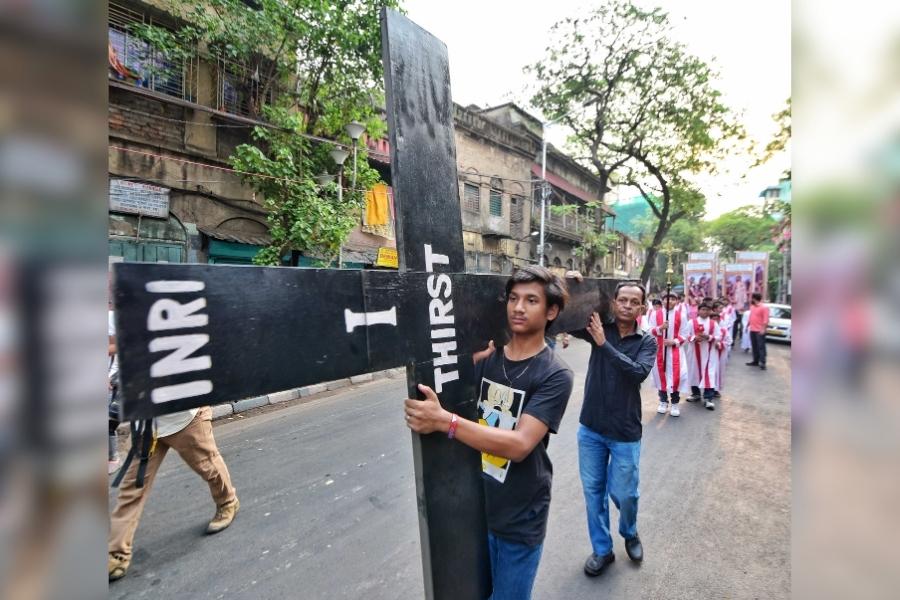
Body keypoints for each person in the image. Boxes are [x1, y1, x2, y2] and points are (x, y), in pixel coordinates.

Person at [404, 265, 574, 600]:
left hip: (520, 516)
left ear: (551, 311)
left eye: (531, 300)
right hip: (475, 508)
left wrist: (445, 421)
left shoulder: (555, 374)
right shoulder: (487, 360)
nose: (518, 307)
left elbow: (521, 444)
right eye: (513, 298)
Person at [108, 305, 240, 582]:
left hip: (185, 419)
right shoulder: (128, 324)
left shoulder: (179, 322)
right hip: (147, 424)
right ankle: (117, 554)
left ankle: (228, 502)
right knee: (133, 487)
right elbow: (119, 366)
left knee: (208, 467)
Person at [564, 273, 657, 577]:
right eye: (623, 300)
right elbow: (565, 318)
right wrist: (574, 286)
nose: (627, 306)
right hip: (591, 427)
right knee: (593, 492)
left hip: (625, 433)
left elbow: (637, 373)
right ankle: (602, 550)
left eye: (634, 302)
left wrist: (604, 346)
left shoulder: (647, 341)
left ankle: (629, 531)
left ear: (642, 308)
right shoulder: (598, 329)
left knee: (625, 493)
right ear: (614, 303)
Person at [648, 293, 690, 416]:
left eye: (672, 299)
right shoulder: (655, 314)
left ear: (676, 301)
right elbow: (649, 331)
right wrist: (660, 328)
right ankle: (663, 401)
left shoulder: (681, 316)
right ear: (662, 300)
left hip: (675, 352)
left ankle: (675, 403)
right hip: (660, 351)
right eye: (667, 299)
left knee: (676, 377)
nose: (669, 301)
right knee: (661, 376)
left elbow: (685, 334)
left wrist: (674, 341)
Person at [687, 301, 723, 410]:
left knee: (709, 374)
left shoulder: (713, 323)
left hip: (709, 354)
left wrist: (709, 337)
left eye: (707, 310)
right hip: (694, 352)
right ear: (698, 311)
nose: (705, 312)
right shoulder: (691, 322)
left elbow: (719, 336)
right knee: (694, 372)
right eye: (703, 309)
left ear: (710, 311)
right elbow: (685, 335)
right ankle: (696, 394)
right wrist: (694, 338)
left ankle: (708, 398)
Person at [746, 292, 770, 370]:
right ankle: (755, 361)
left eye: (751, 298)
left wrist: (763, 329)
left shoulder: (764, 307)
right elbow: (751, 317)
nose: (750, 299)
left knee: (761, 347)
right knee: (754, 346)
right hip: (752, 329)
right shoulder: (752, 307)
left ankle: (763, 362)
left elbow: (766, 320)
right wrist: (747, 325)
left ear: (754, 298)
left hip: (759, 330)